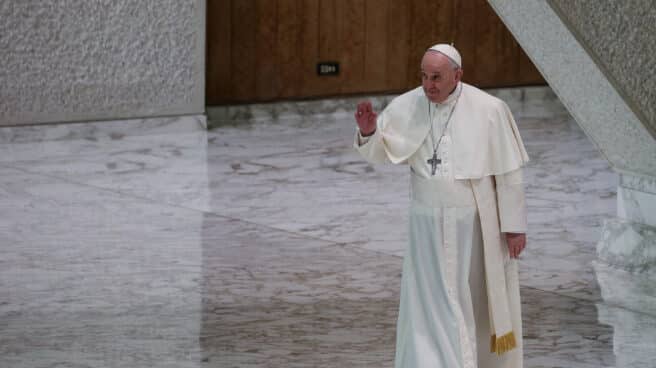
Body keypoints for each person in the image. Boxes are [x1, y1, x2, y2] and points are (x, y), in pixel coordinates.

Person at [353, 44, 529, 368]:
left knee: (472, 300)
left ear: (457, 75)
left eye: (436, 77)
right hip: (426, 228)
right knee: (428, 304)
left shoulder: (489, 109)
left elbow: (509, 173)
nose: (428, 85)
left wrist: (514, 226)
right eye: (423, 76)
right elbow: (382, 151)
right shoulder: (408, 105)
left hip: (473, 227)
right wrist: (369, 133)